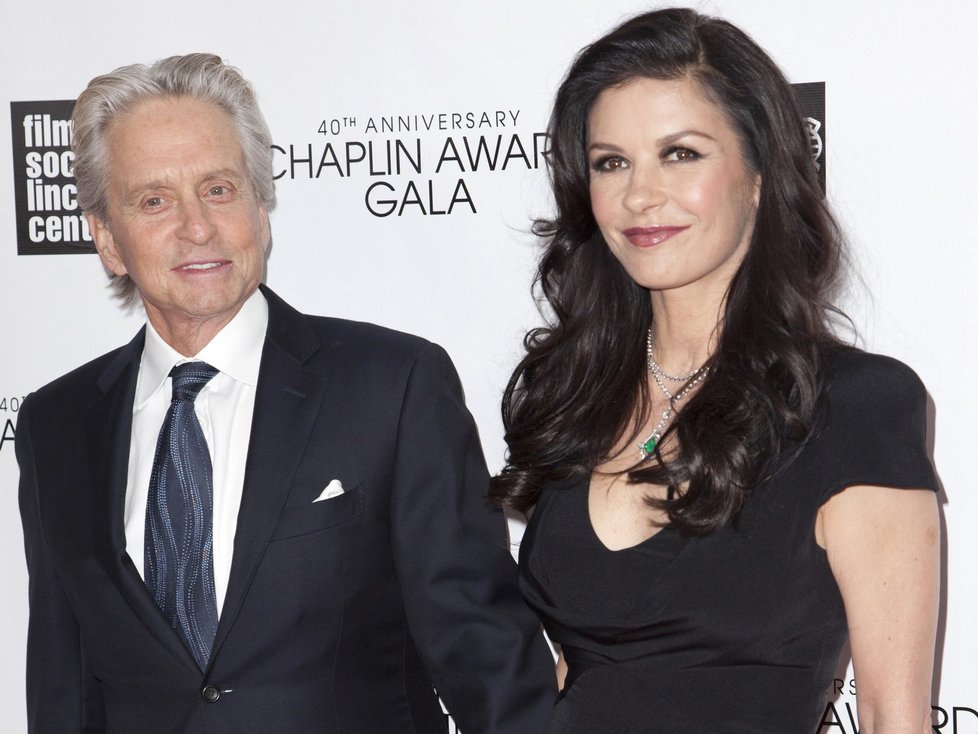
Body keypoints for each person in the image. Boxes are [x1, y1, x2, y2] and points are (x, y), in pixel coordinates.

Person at [16, 53, 556, 734]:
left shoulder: (391, 386)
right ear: (107, 241)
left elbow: (488, 660)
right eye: (153, 200)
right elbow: (63, 687)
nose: (197, 227)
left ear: (260, 208)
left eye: (218, 188)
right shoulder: (56, 426)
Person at [490, 8, 939, 733]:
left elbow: (896, 718)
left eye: (681, 154)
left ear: (759, 176)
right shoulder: (572, 396)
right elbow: (576, 674)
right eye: (612, 162)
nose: (640, 194)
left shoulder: (856, 406)